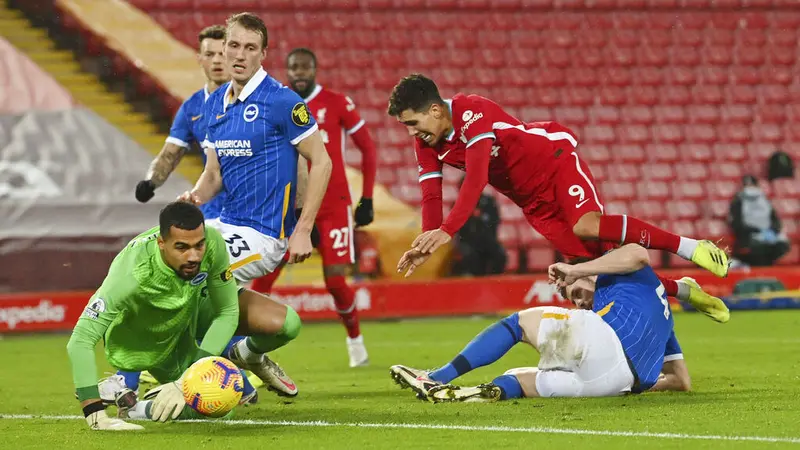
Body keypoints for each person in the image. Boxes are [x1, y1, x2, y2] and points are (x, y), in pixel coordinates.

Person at [387, 74, 727, 317]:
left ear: (434, 110)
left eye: (413, 123)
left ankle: (691, 247)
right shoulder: (426, 142)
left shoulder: (471, 112)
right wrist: (425, 239)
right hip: (532, 201)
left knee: (587, 226)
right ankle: (683, 290)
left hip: (554, 163)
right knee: (592, 268)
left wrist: (446, 231)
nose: (412, 132)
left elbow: (476, 179)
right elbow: (430, 193)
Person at [179, 12, 333, 397]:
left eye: (251, 48)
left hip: (264, 236)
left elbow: (323, 160)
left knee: (191, 278)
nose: (240, 55)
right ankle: (243, 356)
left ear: (263, 54)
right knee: (164, 260)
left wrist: (302, 229)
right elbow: (214, 174)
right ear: (225, 48)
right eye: (234, 45)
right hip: (224, 224)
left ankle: (178, 382)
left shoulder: (282, 101)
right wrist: (195, 197)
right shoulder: (215, 105)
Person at [67, 202, 303, 430]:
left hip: (194, 306)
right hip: (154, 336)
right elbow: (80, 341)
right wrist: (94, 414)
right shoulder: (131, 274)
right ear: (161, 243)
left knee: (287, 324)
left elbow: (227, 312)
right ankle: (135, 409)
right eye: (181, 248)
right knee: (216, 407)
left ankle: (247, 355)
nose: (193, 256)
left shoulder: (212, 242)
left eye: (198, 245)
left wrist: (187, 379)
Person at [390, 244, 704, 403]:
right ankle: (475, 393)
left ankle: (436, 378)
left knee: (518, 324)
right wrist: (640, 384)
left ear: (590, 275)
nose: (580, 303)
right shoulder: (664, 319)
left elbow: (638, 253)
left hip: (608, 344)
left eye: (579, 293)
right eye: (574, 299)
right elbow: (682, 381)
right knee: (521, 378)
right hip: (616, 386)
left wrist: (578, 270)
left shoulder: (617, 272)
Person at [249, 47, 378, 367]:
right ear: (287, 69)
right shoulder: (278, 102)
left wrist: (368, 197)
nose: (299, 72)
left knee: (335, 281)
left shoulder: (336, 103)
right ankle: (245, 345)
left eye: (305, 67)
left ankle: (355, 341)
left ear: (315, 69)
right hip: (291, 207)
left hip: (334, 206)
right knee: (265, 275)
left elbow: (368, 147)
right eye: (294, 67)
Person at [135, 25, 229, 219]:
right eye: (210, 54)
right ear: (199, 59)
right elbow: (170, 153)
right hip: (212, 211)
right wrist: (150, 183)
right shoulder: (191, 108)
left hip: (254, 211)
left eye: (223, 53)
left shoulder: (255, 102)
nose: (217, 60)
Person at [450, 176, 506, 276]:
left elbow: (495, 221)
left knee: (499, 254)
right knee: (471, 256)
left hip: (487, 239)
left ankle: (496, 280)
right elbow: (457, 228)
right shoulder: (457, 204)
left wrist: (480, 218)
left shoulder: (489, 201)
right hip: (468, 242)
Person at [729, 175, 790, 267]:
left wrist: (772, 231)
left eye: (752, 185)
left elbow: (775, 220)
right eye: (747, 185)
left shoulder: (765, 201)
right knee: (758, 247)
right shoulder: (738, 202)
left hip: (767, 235)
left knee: (782, 244)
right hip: (749, 236)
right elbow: (737, 225)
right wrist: (757, 231)